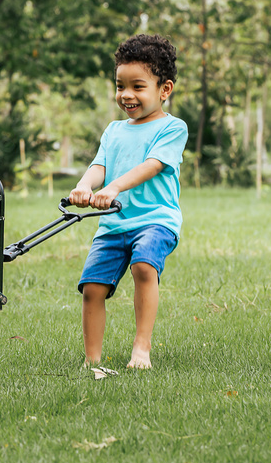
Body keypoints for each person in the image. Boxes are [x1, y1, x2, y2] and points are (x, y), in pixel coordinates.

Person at [68, 34, 188, 370]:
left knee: (143, 266)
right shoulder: (113, 130)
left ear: (164, 90)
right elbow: (99, 167)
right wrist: (84, 185)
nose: (126, 95)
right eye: (120, 86)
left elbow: (152, 166)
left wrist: (115, 187)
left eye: (137, 86)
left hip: (155, 220)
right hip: (114, 224)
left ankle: (141, 350)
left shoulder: (172, 128)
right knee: (92, 288)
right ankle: (92, 361)